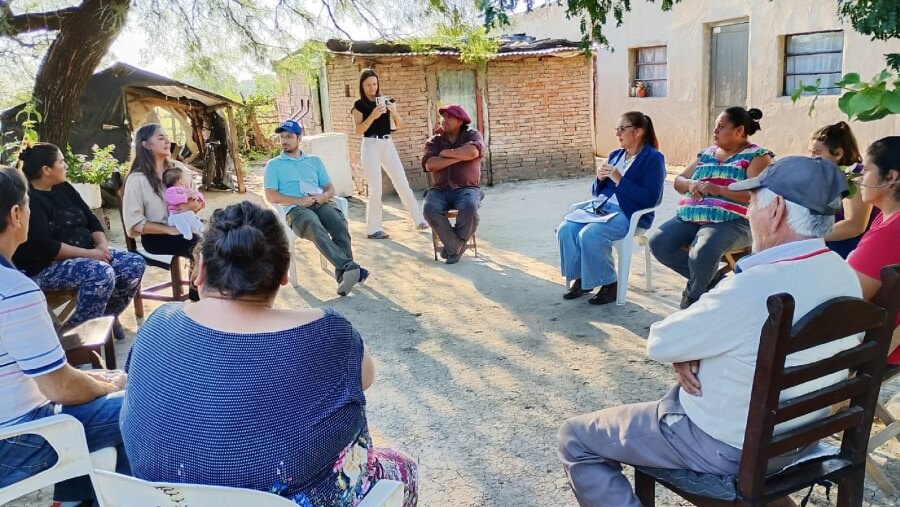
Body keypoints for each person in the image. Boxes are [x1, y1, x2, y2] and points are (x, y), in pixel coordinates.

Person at [558, 157, 858, 507]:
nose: (747, 214)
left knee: (576, 438)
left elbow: (662, 341)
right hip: (799, 439)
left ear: (775, 210)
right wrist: (694, 348)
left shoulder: (753, 288)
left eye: (752, 203)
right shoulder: (844, 275)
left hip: (725, 446)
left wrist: (689, 351)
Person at [121, 201, 418, 507]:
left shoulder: (158, 323)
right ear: (283, 274)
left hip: (163, 501)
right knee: (401, 466)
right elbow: (365, 377)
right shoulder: (328, 333)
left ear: (201, 270)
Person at [0, 165, 130, 507]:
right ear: (16, 214)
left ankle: (73, 500)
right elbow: (60, 389)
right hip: (14, 443)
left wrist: (93, 380)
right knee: (140, 407)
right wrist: (108, 384)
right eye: (28, 205)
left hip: (18, 419)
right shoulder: (13, 291)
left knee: (93, 403)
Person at [12, 143, 145, 339]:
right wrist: (92, 255)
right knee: (100, 273)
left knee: (134, 263)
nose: (65, 166)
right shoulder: (31, 200)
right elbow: (46, 247)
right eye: (61, 162)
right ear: (46, 170)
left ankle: (108, 316)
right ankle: (77, 337)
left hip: (88, 252)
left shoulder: (64, 188)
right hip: (46, 266)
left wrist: (101, 247)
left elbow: (91, 219)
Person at [649, 107, 773, 308]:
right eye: (716, 126)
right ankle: (712, 282)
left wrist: (720, 190)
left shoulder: (757, 156)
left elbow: (760, 195)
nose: (715, 131)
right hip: (691, 217)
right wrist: (691, 185)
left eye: (721, 127)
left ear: (739, 130)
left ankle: (694, 298)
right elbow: (679, 180)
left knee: (704, 250)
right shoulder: (707, 154)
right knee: (659, 242)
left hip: (733, 221)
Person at [558, 111, 666, 304]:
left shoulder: (653, 158)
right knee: (566, 228)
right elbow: (597, 191)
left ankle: (609, 283)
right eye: (617, 129)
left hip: (629, 212)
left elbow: (650, 199)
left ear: (638, 132)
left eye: (622, 129)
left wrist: (619, 179)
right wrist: (599, 179)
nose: (618, 133)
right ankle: (582, 278)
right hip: (603, 207)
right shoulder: (616, 155)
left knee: (591, 234)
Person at [264, 120, 368, 296]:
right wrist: (297, 200)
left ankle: (344, 276)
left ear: (299, 138)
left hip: (319, 203)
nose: (284, 141)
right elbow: (271, 195)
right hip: (295, 210)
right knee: (313, 224)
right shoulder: (274, 165)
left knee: (338, 222)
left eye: (289, 136)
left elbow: (330, 188)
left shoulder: (314, 161)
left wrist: (323, 197)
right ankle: (349, 267)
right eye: (282, 137)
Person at [352, 69, 428, 239]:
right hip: (370, 144)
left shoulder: (386, 101)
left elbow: (400, 125)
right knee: (375, 188)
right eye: (368, 85)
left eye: (374, 84)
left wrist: (392, 110)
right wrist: (372, 115)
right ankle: (373, 229)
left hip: (387, 143)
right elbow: (358, 130)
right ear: (362, 86)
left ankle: (419, 219)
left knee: (401, 181)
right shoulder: (359, 105)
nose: (372, 88)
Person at [847, 136, 900, 362]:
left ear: (891, 176)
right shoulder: (885, 218)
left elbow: (844, 299)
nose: (859, 179)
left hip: (878, 349)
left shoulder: (891, 231)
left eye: (866, 170)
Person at [122, 123, 204, 259]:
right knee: (204, 246)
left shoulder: (177, 168)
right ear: (146, 145)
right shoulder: (137, 179)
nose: (167, 141)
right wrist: (170, 230)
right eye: (161, 138)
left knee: (224, 235)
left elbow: (197, 199)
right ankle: (200, 279)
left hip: (186, 226)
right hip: (158, 238)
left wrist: (193, 204)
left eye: (167, 137)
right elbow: (135, 222)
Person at [422, 104, 485, 265]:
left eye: (450, 117)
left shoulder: (472, 135)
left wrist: (446, 155)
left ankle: (452, 247)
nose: (444, 120)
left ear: (460, 121)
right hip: (440, 189)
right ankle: (456, 246)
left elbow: (472, 152)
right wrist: (459, 156)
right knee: (429, 209)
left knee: (470, 206)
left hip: (467, 188)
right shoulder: (434, 141)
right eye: (443, 117)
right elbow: (430, 164)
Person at [808, 121, 874, 258]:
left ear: (838, 153)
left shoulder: (854, 177)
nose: (812, 159)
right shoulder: (831, 175)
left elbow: (854, 225)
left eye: (817, 153)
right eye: (811, 153)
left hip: (851, 253)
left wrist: (807, 237)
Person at [163, 166, 206, 240]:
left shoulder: (188, 189)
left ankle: (201, 229)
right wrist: (186, 196)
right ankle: (186, 233)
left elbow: (199, 194)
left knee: (192, 218)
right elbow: (172, 199)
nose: (189, 179)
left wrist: (198, 197)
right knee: (180, 220)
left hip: (187, 213)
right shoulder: (171, 190)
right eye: (187, 177)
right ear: (181, 180)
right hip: (175, 215)